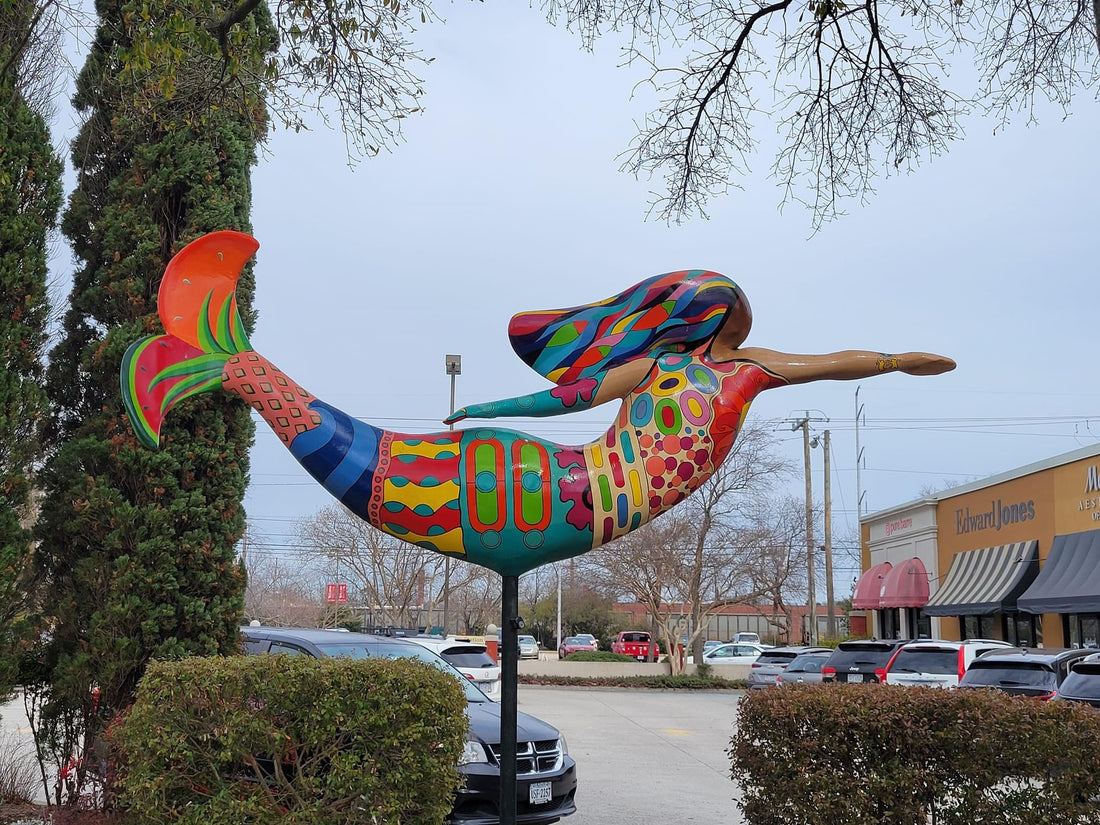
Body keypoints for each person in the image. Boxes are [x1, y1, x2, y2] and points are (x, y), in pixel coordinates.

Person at [122, 231, 954, 576]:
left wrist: (893, 360)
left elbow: (833, 364)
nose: (724, 320)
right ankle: (233, 366)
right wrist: (483, 410)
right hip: (569, 484)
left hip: (588, 494)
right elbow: (564, 400)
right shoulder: (660, 365)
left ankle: (234, 366)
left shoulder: (751, 370)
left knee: (412, 471)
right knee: (402, 468)